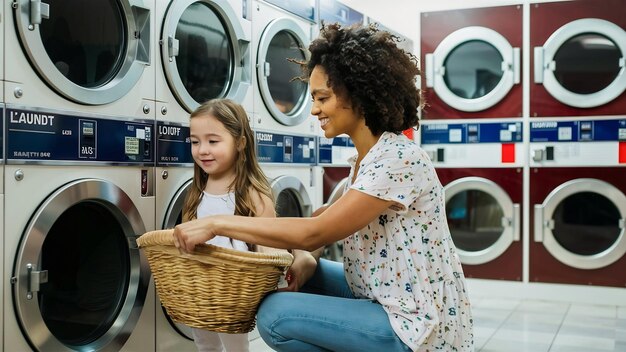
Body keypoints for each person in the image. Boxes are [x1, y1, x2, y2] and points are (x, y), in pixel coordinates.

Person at [174, 24, 474, 351]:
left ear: (358, 95)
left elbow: (316, 232)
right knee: (298, 273)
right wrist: (305, 259)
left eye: (322, 97)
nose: (314, 108)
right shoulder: (364, 160)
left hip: (417, 322)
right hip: (385, 295)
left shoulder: (396, 158)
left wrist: (215, 223)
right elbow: (320, 225)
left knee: (274, 315)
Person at [181, 98, 289, 352]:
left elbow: (268, 242)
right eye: (195, 142)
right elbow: (188, 233)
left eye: (213, 141)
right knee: (204, 343)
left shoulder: (251, 193)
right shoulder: (196, 191)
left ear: (240, 143)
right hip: (202, 285)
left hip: (235, 291)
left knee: (235, 346)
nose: (202, 150)